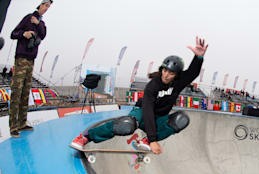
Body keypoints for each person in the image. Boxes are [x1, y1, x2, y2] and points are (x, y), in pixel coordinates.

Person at [71, 36, 208, 154]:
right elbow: (147, 110)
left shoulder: (179, 82)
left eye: (171, 73)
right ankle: (86, 137)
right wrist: (154, 140)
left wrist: (199, 57)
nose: (166, 75)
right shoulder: (153, 86)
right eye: (164, 71)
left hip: (159, 118)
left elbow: (192, 73)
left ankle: (146, 140)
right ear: (161, 69)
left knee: (182, 119)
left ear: (176, 75)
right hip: (142, 112)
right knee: (127, 125)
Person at [8, 0, 52, 138]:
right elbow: (13, 33)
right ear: (40, 4)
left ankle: (22, 123)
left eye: (48, 7)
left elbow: (43, 35)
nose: (46, 8)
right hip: (21, 58)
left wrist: (38, 24)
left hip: (31, 60)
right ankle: (13, 126)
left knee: (26, 92)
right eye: (45, 5)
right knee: (17, 91)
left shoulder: (42, 24)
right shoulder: (28, 18)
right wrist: (24, 34)